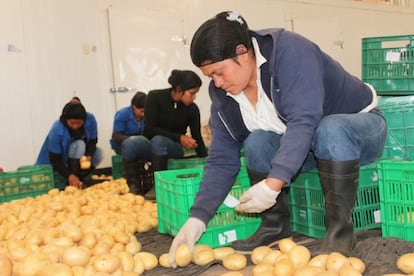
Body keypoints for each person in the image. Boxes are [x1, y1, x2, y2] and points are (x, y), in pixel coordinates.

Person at [168, 11, 387, 266]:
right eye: (210, 77)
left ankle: (341, 233)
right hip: (312, 148)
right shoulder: (225, 97)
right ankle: (274, 226)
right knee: (258, 141)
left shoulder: (290, 52)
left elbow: (304, 121)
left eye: (219, 72)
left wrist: (272, 185)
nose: (217, 83)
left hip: (359, 132)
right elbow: (221, 159)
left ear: (242, 52)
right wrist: (198, 219)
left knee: (330, 127)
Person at [144, 69, 208, 173]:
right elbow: (149, 130)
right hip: (149, 144)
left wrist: (206, 160)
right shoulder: (154, 97)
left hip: (173, 147)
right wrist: (179, 137)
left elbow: (197, 137)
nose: (194, 97)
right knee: (132, 145)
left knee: (159, 142)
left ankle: (160, 181)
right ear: (179, 89)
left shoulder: (192, 109)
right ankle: (134, 184)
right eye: (192, 93)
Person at [36, 97, 103, 189]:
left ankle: (79, 179)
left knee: (99, 153)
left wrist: (89, 155)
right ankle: (71, 180)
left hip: (74, 158)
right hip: (56, 161)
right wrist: (70, 175)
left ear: (84, 120)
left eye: (79, 123)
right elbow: (55, 159)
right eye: (72, 123)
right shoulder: (57, 129)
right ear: (66, 119)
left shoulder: (90, 119)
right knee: (80, 144)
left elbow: (92, 141)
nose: (75, 126)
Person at [110, 91, 151, 195]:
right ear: (134, 107)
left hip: (140, 144)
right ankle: (133, 185)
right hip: (122, 144)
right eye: (141, 111)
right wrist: (131, 138)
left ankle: (146, 184)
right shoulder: (122, 114)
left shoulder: (146, 116)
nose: (143, 114)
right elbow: (115, 136)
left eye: (145, 111)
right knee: (130, 147)